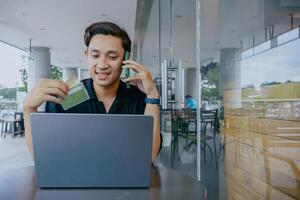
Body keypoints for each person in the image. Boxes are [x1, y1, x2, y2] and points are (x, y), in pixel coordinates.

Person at [23, 21, 161, 162]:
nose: (102, 65)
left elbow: (149, 156)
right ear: (86, 55)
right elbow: (44, 158)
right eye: (95, 56)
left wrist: (152, 96)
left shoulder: (139, 98)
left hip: (125, 181)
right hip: (74, 181)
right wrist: (29, 109)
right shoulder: (66, 97)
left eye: (112, 57)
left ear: (126, 58)